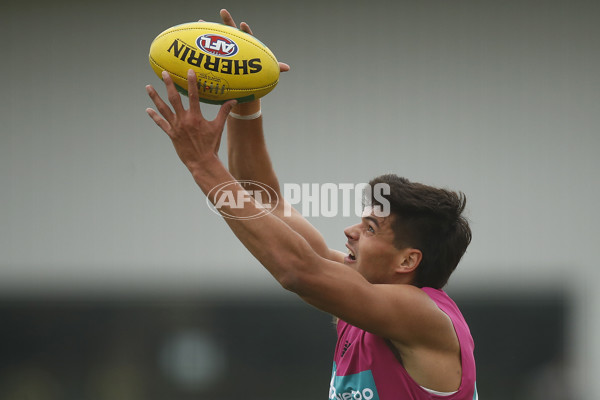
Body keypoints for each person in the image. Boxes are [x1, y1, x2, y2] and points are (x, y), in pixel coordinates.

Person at [145, 9, 478, 399]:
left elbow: (297, 270)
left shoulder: (422, 316)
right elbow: (268, 204)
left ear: (408, 261)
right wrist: (246, 102)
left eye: (370, 229)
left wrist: (203, 163)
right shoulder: (365, 297)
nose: (350, 232)